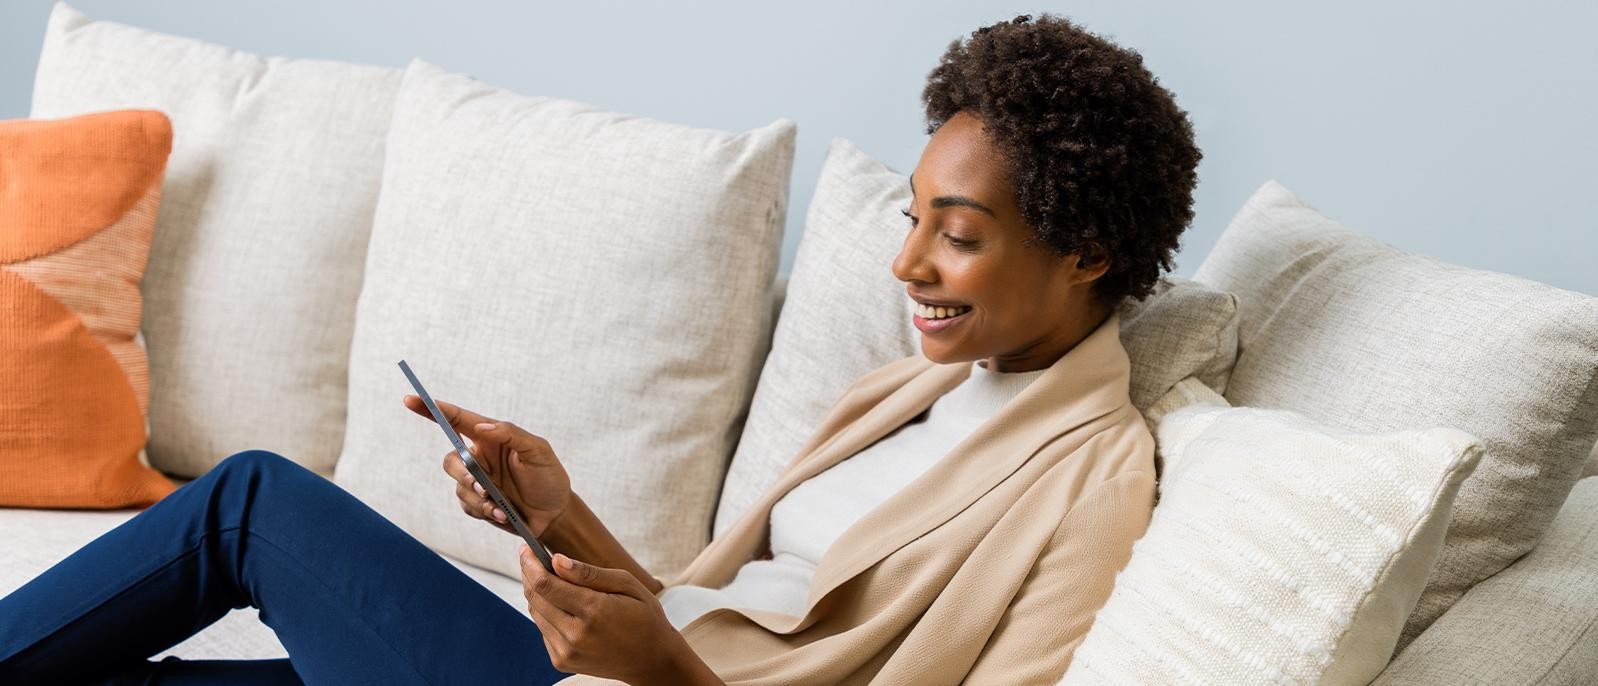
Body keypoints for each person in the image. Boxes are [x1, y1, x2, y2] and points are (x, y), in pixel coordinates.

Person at [0, 12, 1201, 685]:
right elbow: (712, 607)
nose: (907, 267)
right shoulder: (913, 389)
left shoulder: (1093, 479)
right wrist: (560, 515)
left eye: (959, 236)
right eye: (911, 221)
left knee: (249, 503)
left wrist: (666, 676)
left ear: (1088, 247)